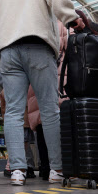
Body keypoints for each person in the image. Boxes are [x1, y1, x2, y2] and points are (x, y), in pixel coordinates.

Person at [0, 0, 84, 186]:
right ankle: (57, 169)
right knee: (49, 109)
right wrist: (70, 17)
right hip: (39, 47)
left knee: (14, 112)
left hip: (9, 51)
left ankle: (17, 170)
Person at [27, 21, 69, 181]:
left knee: (41, 124)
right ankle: (58, 167)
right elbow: (68, 49)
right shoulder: (59, 24)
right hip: (56, 75)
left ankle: (45, 168)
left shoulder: (32, 20)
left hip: (34, 78)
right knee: (55, 119)